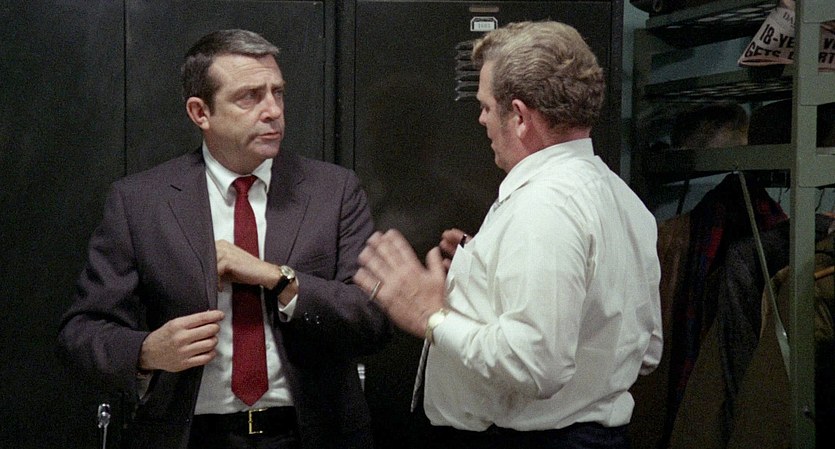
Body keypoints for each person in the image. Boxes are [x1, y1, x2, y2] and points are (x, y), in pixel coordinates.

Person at [57, 29, 391, 449]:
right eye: (250, 97)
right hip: (191, 436)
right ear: (201, 112)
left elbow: (373, 320)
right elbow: (81, 331)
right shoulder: (141, 201)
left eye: (278, 93)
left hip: (311, 433)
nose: (273, 111)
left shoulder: (333, 191)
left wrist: (277, 278)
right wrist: (146, 351)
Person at [354, 21, 662, 449]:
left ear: (518, 116)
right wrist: (488, 276)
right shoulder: (622, 199)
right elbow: (647, 350)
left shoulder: (544, 207)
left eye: (485, 106)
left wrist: (430, 316)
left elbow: (537, 365)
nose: (481, 118)